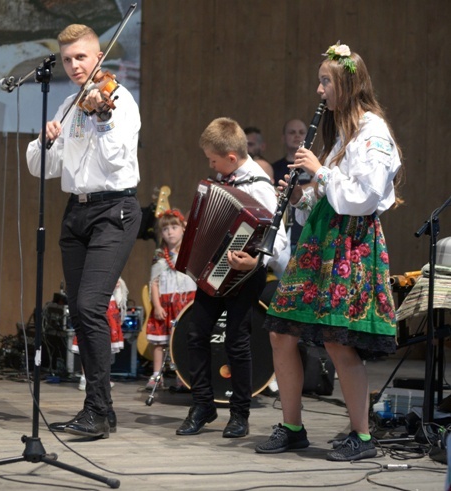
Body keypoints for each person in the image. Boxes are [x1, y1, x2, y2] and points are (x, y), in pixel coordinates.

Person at [255, 42, 403, 462]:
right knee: (280, 332)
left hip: (349, 242)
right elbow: (328, 193)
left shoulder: (373, 132)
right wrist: (302, 191)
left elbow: (365, 197)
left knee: (339, 342)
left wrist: (320, 171)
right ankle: (292, 426)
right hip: (320, 239)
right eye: (320, 81)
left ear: (348, 84)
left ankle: (364, 436)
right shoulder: (344, 134)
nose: (320, 91)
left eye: (326, 82)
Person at [26, 24, 141, 439]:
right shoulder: (67, 105)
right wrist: (44, 139)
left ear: (98, 58)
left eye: (82, 58)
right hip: (76, 212)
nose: (75, 66)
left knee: (91, 306)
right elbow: (43, 168)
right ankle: (102, 413)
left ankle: (95, 409)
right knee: (79, 310)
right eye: (68, 59)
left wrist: (103, 117)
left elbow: (115, 163)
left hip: (115, 210)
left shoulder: (121, 101)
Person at [176, 117, 288, 438]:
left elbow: (277, 238)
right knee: (196, 334)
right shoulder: (222, 179)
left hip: (247, 273)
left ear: (231, 158)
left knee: (237, 342)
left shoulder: (261, 186)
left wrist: (254, 260)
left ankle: (240, 413)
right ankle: (202, 405)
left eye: (213, 159)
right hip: (215, 272)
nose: (210, 165)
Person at [144, 208, 196, 391]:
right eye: (165, 229)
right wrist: (156, 305)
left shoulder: (191, 251)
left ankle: (182, 375)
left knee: (182, 341)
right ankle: (157, 374)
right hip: (166, 304)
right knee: (160, 342)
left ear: (183, 228)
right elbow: (154, 282)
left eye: (174, 227)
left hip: (187, 302)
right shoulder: (159, 255)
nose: (170, 232)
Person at [73, 278, 127, 391]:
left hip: (110, 309)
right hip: (95, 305)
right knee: (89, 345)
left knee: (104, 348)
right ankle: (85, 377)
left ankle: (102, 378)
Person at [271, 118, 309, 251]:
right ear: (283, 138)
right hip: (282, 235)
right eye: (292, 132)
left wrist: (292, 191)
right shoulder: (274, 168)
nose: (297, 136)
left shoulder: (315, 167)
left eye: (302, 132)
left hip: (307, 234)